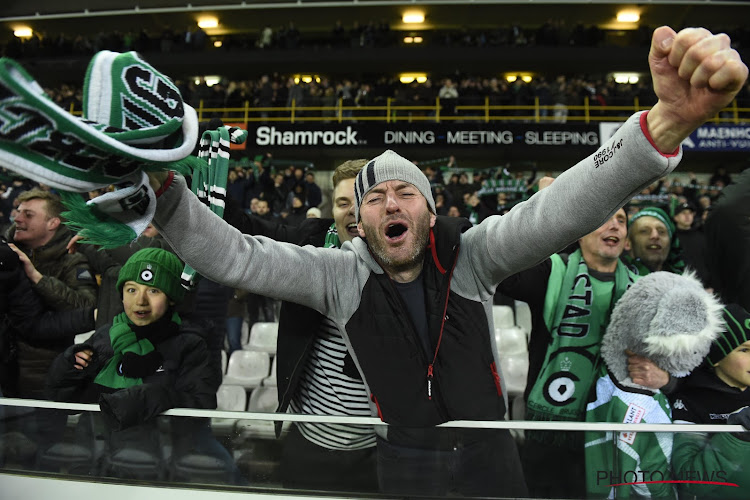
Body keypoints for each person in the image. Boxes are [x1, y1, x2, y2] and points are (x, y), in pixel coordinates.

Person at [145, 27, 747, 497]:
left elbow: (558, 209)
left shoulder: (472, 256)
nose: (388, 203)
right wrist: (163, 190)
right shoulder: (337, 273)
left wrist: (663, 125)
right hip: (403, 461)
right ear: (360, 219)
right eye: (374, 197)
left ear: (431, 209)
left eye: (405, 192)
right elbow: (237, 257)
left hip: (489, 453)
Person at [223, 159, 378, 492]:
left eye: (362, 199)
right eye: (342, 202)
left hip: (379, 448)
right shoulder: (310, 239)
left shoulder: (401, 254)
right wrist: (216, 189)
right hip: (309, 440)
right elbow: (246, 227)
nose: (352, 211)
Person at [497, 207, 642, 498]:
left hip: (615, 428)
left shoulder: (643, 288)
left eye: (621, 221)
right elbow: (501, 264)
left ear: (627, 240)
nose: (613, 225)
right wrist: (545, 208)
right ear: (578, 233)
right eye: (603, 218)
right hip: (552, 436)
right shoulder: (551, 272)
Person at [46, 248, 223, 479]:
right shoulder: (104, 337)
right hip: (97, 465)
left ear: (170, 297)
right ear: (121, 294)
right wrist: (68, 366)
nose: (140, 301)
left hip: (157, 470)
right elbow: (63, 398)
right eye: (131, 290)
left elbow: (201, 405)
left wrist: (158, 397)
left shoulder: (189, 344)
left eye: (153, 290)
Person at [5, 188, 98, 398]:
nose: (17, 219)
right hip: (6, 369)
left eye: (28, 215)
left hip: (46, 375)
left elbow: (87, 307)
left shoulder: (72, 260)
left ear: (52, 223)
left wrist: (38, 278)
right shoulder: (6, 253)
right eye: (18, 211)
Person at [668, 303, 750, 499]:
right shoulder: (690, 401)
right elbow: (690, 479)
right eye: (745, 350)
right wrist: (736, 434)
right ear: (716, 357)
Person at [623, 206, 684, 275]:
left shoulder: (682, 282)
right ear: (628, 243)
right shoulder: (617, 280)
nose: (655, 236)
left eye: (661, 232)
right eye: (644, 231)